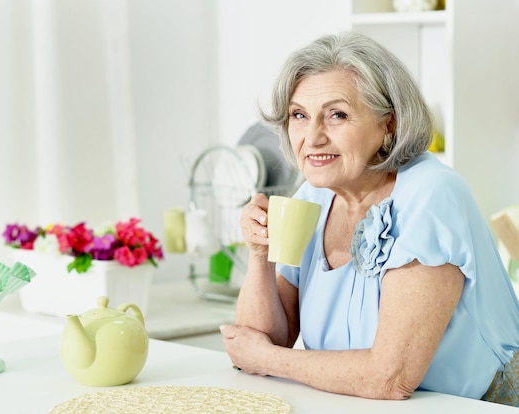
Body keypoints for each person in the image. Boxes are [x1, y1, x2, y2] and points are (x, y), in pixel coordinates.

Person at [220, 31, 519, 406]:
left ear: (388, 124)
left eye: (337, 115)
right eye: (299, 115)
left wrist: (269, 360)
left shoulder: (431, 195)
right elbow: (261, 339)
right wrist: (259, 254)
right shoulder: (314, 194)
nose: (312, 137)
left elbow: (391, 377)